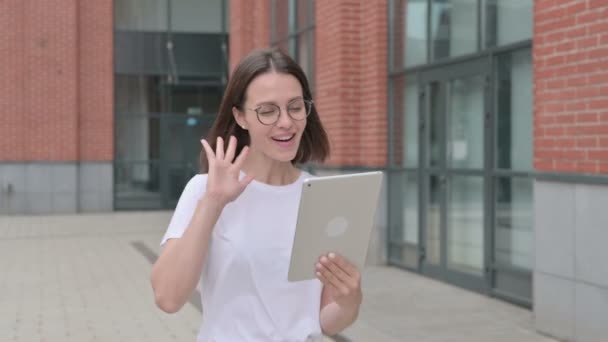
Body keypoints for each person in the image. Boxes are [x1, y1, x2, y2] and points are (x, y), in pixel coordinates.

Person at [150, 48, 363, 341]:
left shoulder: (323, 195)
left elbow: (325, 321)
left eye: (295, 107)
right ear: (240, 116)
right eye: (268, 111)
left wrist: (350, 301)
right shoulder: (205, 189)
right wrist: (213, 203)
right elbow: (168, 297)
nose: (286, 121)